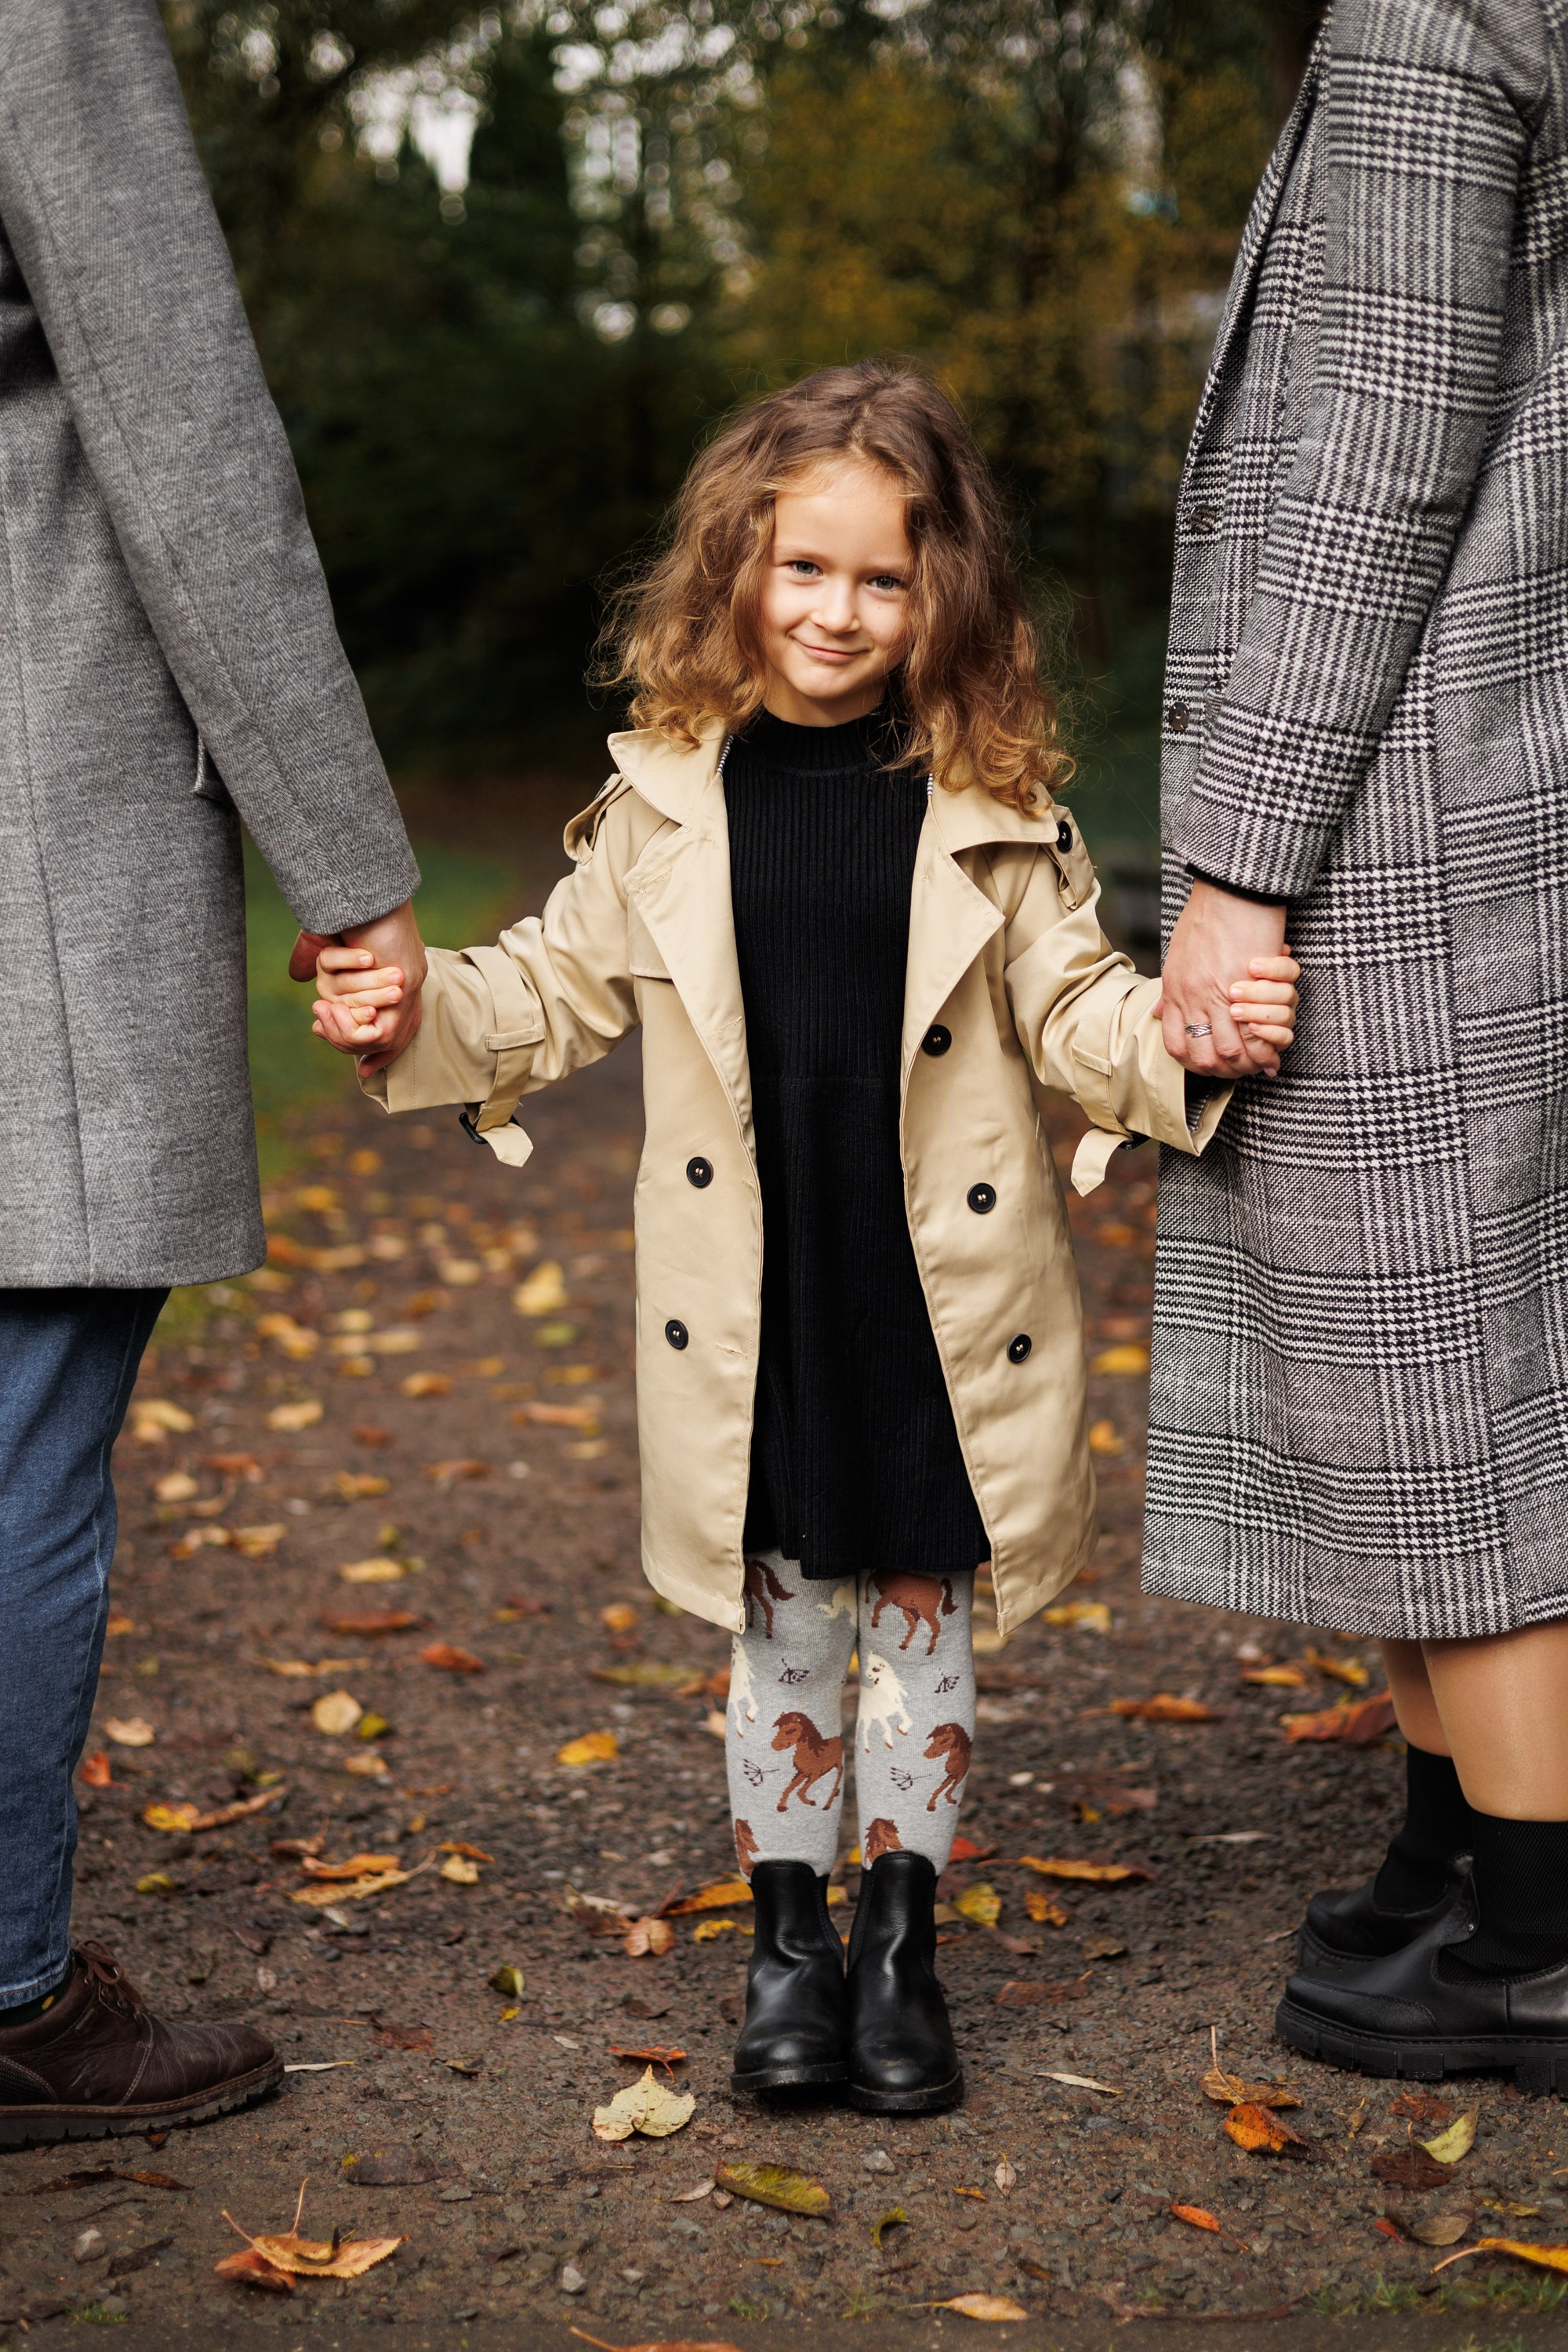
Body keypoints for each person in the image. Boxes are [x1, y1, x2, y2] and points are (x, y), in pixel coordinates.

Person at [311, 361, 1298, 2110]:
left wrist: (1183, 1040)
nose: (837, 611)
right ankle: (788, 1944)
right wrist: (411, 1018)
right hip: (758, 1292)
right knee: (781, 1626)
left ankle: (901, 1941)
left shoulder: (992, 814)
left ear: (943, 597)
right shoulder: (667, 801)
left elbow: (1080, 1016)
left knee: (920, 1622)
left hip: (931, 1288)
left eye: (882, 578)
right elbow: (541, 989)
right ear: (735, 570)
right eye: (803, 569)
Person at [0, 1, 423, 2140]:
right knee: (16, 1414)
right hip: (23, 826)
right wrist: (343, 862)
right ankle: (2, 1996)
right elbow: (177, 435)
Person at [1149, 0, 1568, 2092]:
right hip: (1491, 751)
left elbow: (1382, 452)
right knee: (1409, 1358)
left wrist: (1238, 861)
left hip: (1416, 782)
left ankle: (1541, 1932)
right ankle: (1454, 1854)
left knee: (1438, 1373)